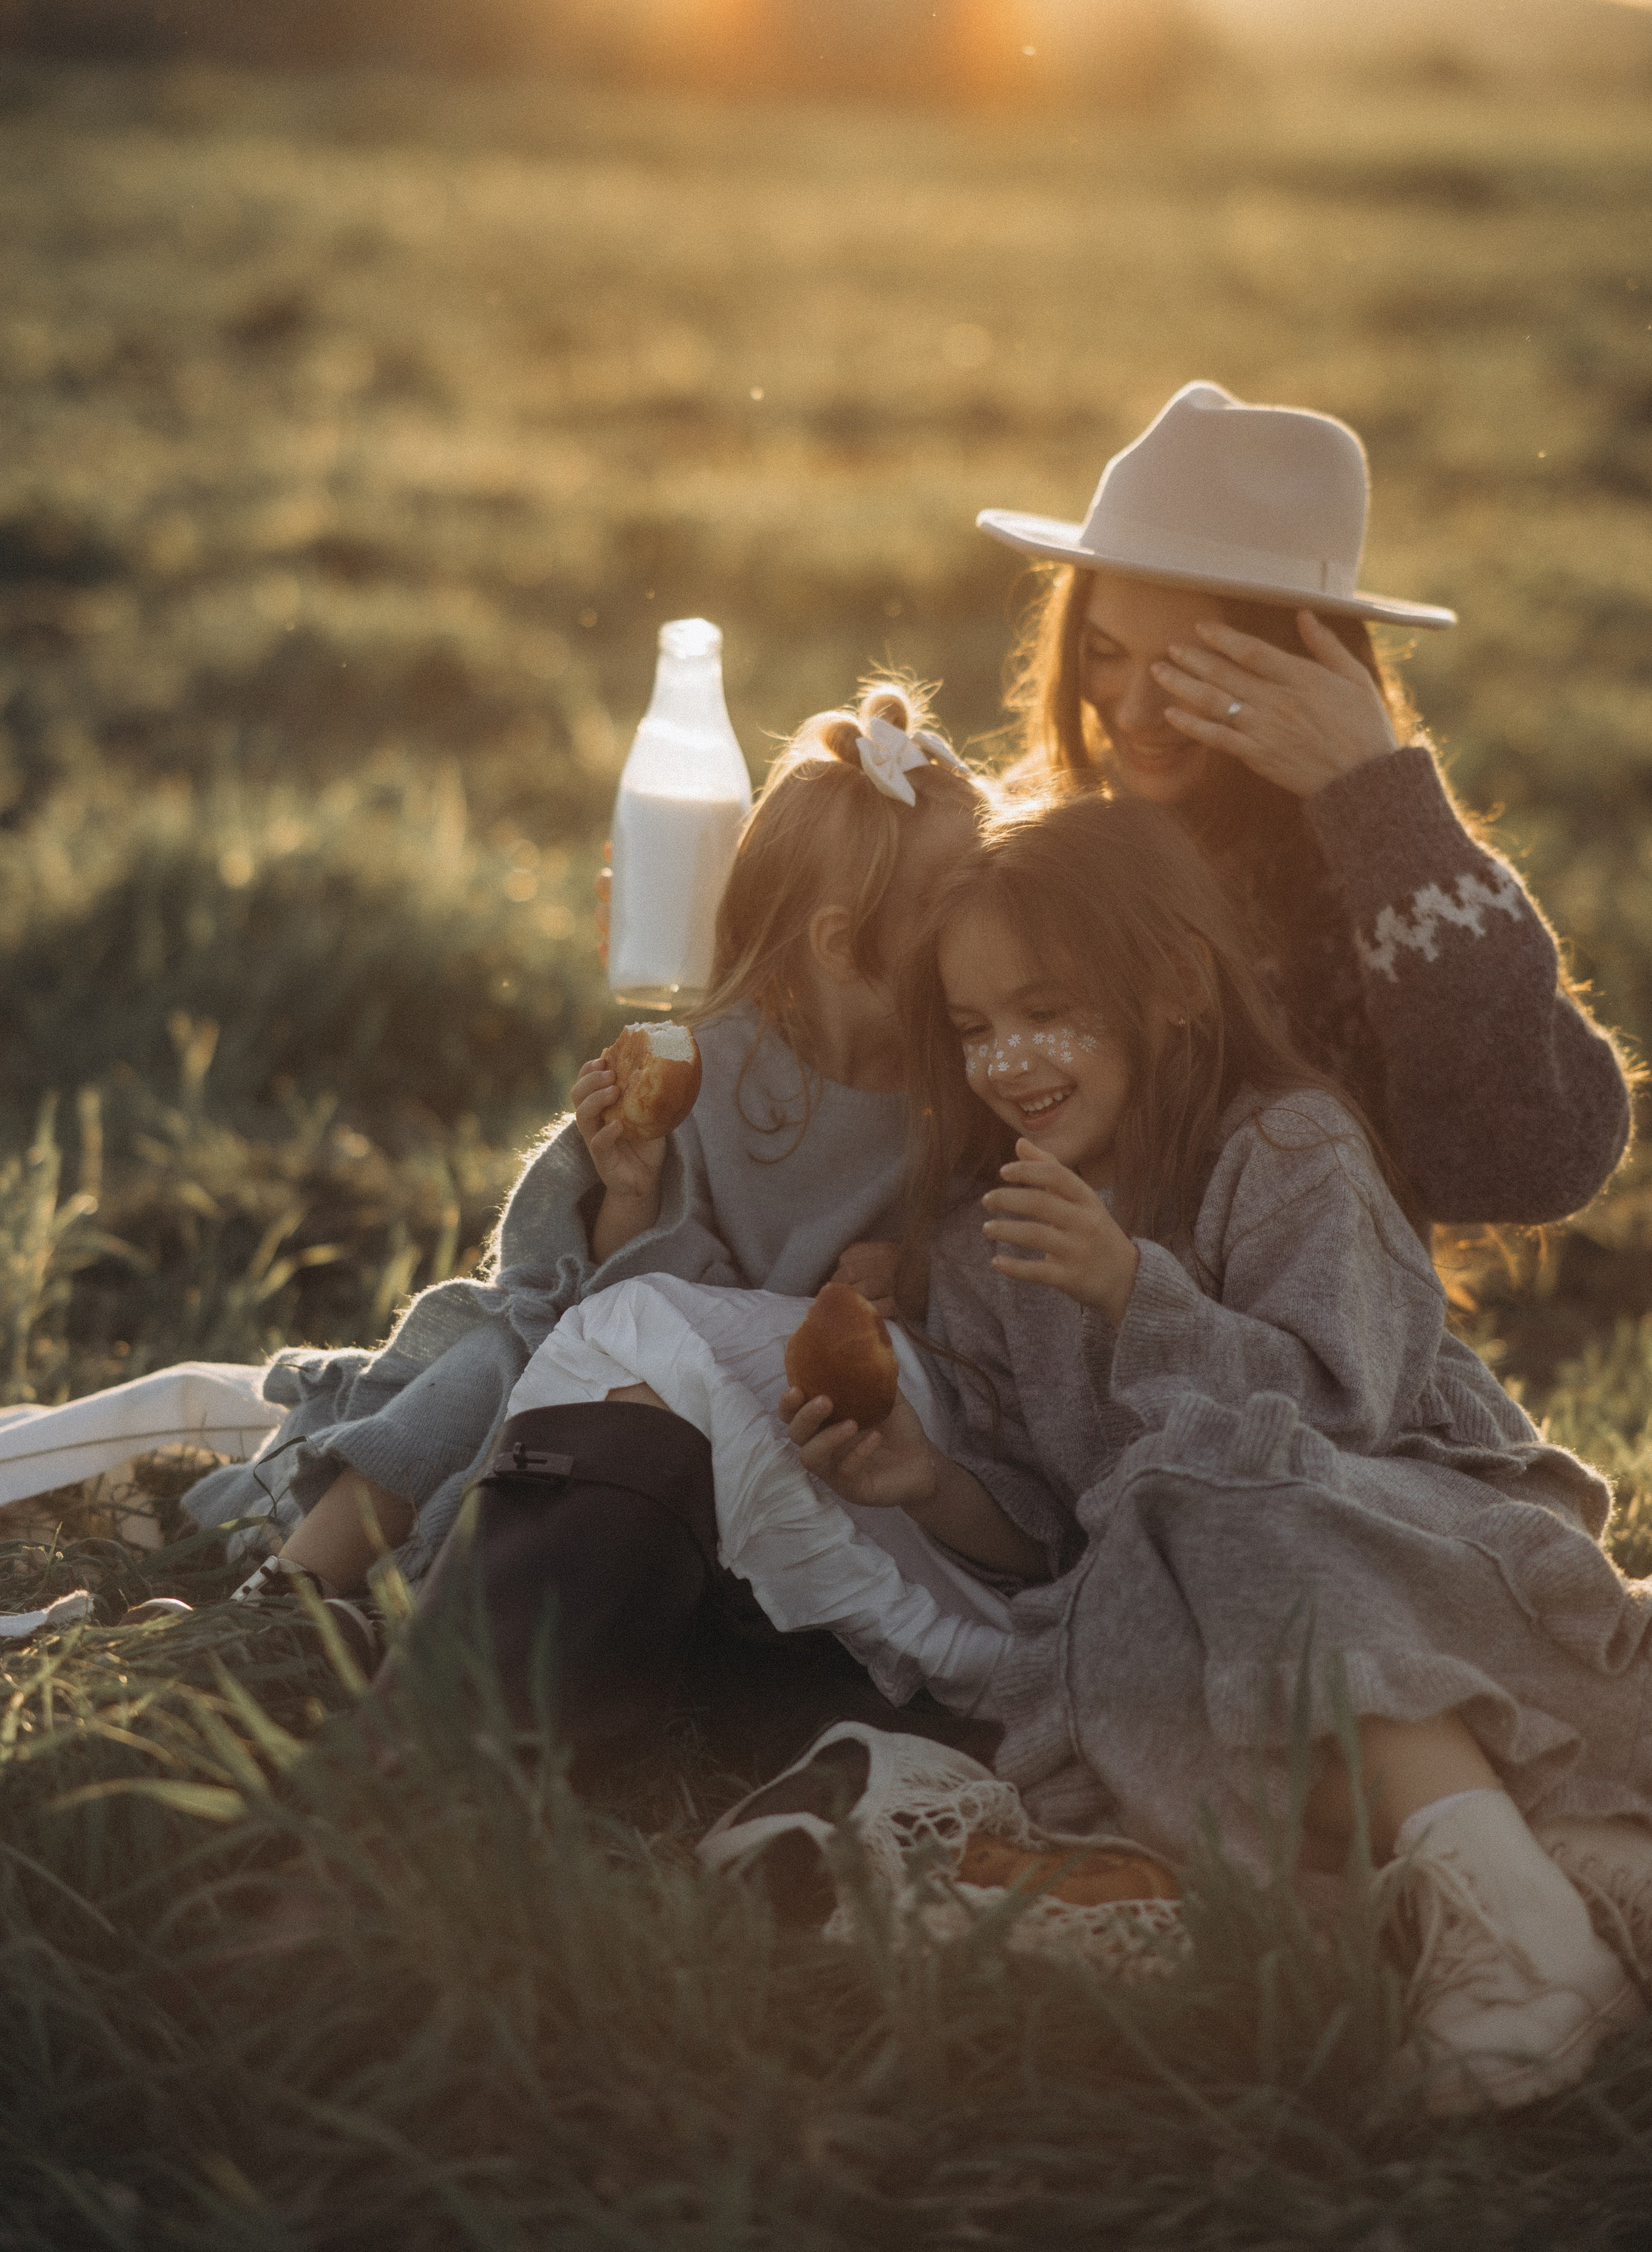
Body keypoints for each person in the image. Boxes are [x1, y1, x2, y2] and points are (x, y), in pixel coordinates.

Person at [753, 786, 1652, 2113]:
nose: (1007, 1059)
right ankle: (1555, 1871)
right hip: (1225, 1619)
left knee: (1217, 1497)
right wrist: (929, 1484)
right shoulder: (989, 1232)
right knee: (1137, 1681)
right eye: (975, 1029)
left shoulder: (1287, 1147)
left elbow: (1329, 1420)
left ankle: (1522, 1945)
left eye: (1045, 1011)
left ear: (1172, 985)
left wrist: (1133, 1292)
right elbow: (1056, 1521)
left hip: (1424, 1553)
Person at [166, 684, 982, 1626]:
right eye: (954, 904)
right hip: (641, 1396)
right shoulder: (712, 1070)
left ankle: (413, 1608)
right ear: (843, 945)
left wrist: (916, 1277)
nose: (990, 922)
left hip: (800, 1440)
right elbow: (600, 1314)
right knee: (493, 1361)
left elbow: (980, 1290)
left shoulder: (957, 1098)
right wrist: (629, 1197)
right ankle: (285, 1594)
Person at [980, 379, 1633, 1222]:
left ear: (1301, 667)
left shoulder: (1375, 884)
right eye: (1104, 652)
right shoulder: (1036, 830)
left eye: (1193, 670)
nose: (1133, 711)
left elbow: (1529, 1165)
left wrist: (1385, 806)